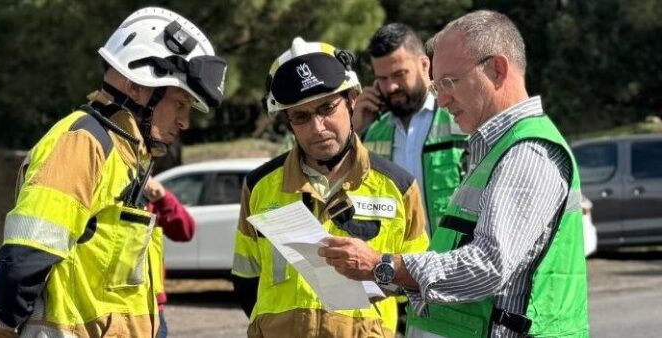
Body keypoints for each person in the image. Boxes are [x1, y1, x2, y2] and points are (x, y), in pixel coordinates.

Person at [320, 10, 589, 338]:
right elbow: (455, 253)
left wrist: (383, 265)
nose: (442, 98)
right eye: (438, 84)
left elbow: (489, 265)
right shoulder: (496, 146)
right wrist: (385, 277)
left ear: (498, 70)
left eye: (449, 82)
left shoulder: (527, 151)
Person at [0, 7, 226, 338]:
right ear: (137, 86)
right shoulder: (83, 143)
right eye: (179, 103)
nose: (184, 121)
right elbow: (23, 261)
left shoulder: (125, 156)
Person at [231, 37, 429, 338]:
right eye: (301, 116)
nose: (317, 127)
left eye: (326, 108)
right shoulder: (259, 187)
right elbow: (247, 281)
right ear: (287, 120)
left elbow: (417, 285)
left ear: (351, 99)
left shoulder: (398, 187)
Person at [355, 23, 466, 236]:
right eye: (382, 79)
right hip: (395, 266)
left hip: (453, 263)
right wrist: (356, 130)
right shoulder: (372, 132)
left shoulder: (460, 118)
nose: (391, 87)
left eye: (399, 75)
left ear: (425, 65)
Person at [144, 177, 196, 338]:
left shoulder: (145, 198)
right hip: (107, 305)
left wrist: (162, 198)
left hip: (150, 307)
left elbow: (185, 230)